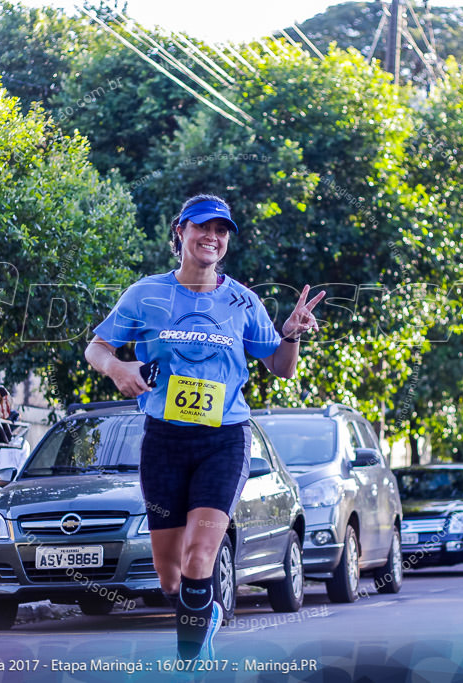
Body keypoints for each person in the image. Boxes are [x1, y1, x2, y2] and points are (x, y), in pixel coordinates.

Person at [84, 194, 324, 660]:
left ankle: (190, 661)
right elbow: (97, 348)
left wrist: (291, 333)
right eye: (201, 228)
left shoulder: (242, 300)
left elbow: (281, 365)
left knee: (200, 556)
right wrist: (118, 369)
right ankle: (203, 612)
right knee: (170, 573)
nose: (211, 237)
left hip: (224, 439)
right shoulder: (146, 294)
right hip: (164, 440)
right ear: (180, 233)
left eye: (221, 230)